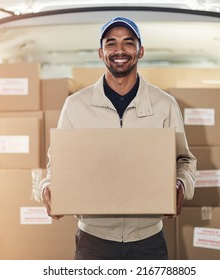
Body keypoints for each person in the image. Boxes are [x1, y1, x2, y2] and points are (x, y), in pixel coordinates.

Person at [38, 16, 196, 260]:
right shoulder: (76, 106)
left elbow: (184, 161)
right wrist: (47, 189)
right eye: (111, 43)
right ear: (101, 52)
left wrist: (181, 185)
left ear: (140, 51)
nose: (119, 50)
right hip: (93, 240)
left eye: (128, 43)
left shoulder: (165, 105)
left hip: (148, 239)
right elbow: (56, 167)